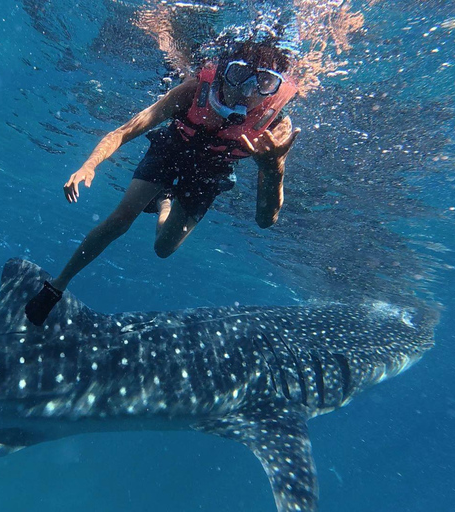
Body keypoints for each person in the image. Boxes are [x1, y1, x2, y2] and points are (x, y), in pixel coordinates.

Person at [25, 38, 302, 326]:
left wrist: (274, 169)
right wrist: (89, 165)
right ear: (221, 71)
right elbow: (124, 131)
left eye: (265, 82)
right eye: (238, 74)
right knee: (119, 219)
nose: (247, 92)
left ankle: (163, 200)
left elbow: (265, 220)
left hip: (212, 171)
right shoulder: (193, 91)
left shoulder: (276, 128)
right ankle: (56, 285)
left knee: (164, 249)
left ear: (277, 88)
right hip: (173, 148)